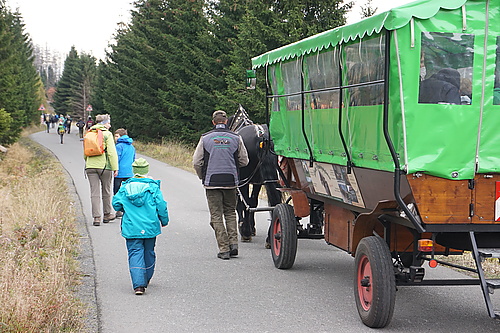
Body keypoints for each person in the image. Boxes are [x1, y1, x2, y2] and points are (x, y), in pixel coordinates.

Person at [192, 110, 249, 260]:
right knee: (230, 212)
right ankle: (233, 244)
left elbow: (196, 162)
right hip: (231, 182)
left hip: (212, 182)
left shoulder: (205, 138)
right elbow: (244, 161)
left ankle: (224, 249)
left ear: (213, 122)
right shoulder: (236, 138)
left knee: (216, 215)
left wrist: (202, 177)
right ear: (226, 122)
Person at [112, 158, 169, 295]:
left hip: (131, 227)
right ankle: (146, 277)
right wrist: (164, 220)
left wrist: (125, 206)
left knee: (135, 252)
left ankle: (138, 285)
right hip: (150, 227)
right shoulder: (153, 187)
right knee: (149, 252)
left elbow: (116, 204)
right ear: (146, 171)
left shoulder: (125, 187)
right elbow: (162, 206)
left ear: (134, 171)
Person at [84, 114, 118, 226]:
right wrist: (115, 168)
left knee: (94, 192)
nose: (110, 125)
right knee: (106, 191)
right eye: (108, 122)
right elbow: (112, 153)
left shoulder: (88, 133)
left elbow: (85, 152)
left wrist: (87, 162)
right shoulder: (107, 134)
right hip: (104, 167)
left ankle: (96, 217)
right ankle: (107, 214)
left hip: (90, 166)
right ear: (104, 123)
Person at [113, 128, 136, 217]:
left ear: (121, 136)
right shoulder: (131, 146)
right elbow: (133, 159)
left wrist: (115, 169)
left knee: (117, 191)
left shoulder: (119, 146)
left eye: (117, 136)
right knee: (128, 191)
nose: (115, 138)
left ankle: (119, 210)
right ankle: (128, 209)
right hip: (129, 172)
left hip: (119, 172)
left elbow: (116, 158)